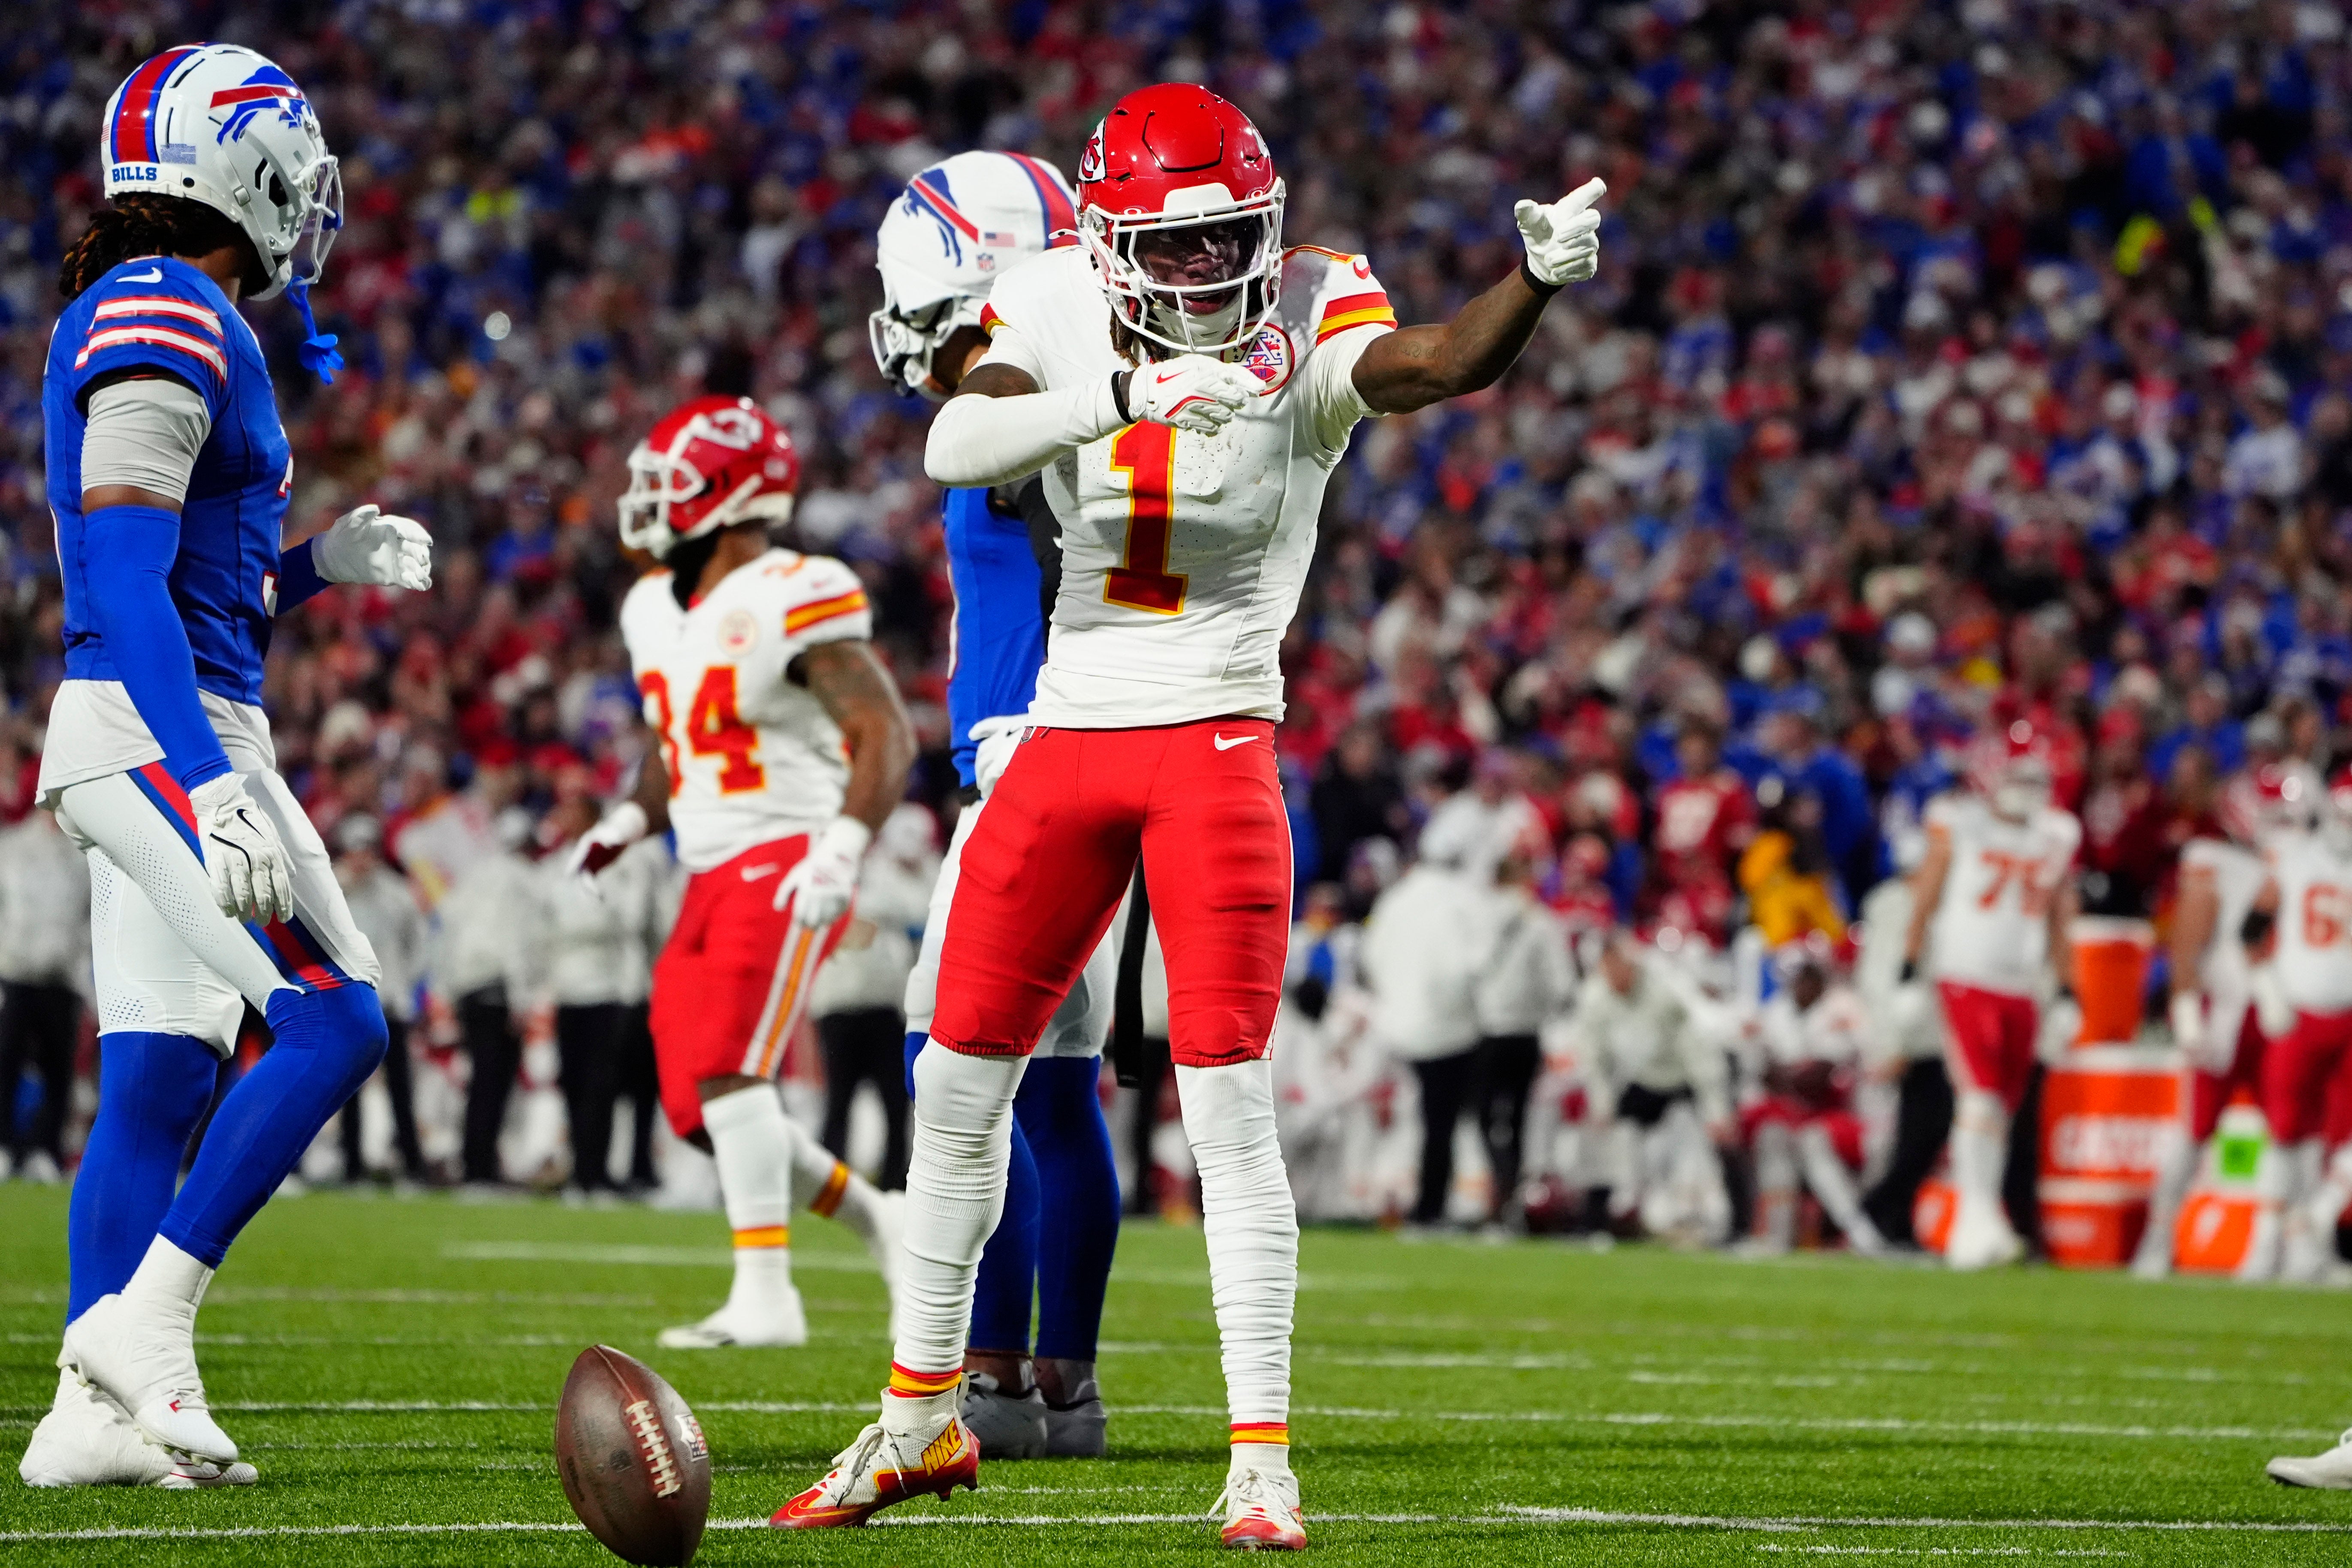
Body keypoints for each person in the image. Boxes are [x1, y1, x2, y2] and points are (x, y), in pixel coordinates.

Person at [775, 82, 1605, 1550]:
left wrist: (1527, 286)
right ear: (1099, 242)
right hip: (1068, 729)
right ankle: (918, 1420)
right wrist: (1116, 396)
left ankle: (1263, 1461)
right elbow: (950, 450)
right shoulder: (1042, 299)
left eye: (1226, 239)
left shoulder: (1311, 300)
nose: (1202, 273)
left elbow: (1421, 367)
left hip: (1216, 728)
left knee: (1224, 1102)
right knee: (955, 1081)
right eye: (1168, 249)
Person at [21, 44, 433, 1490]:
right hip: (155, 728)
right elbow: (124, 583)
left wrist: (322, 564)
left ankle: (85, 1423)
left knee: (153, 1076)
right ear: (238, 167)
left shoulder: (164, 305)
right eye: (296, 159)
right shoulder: (164, 306)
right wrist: (206, 779)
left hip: (157, 711)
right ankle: (143, 1327)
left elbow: (189, 583)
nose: (314, 193)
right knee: (336, 1018)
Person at [568, 392, 914, 1348]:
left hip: (791, 849)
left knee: (730, 1072)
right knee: (699, 1110)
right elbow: (671, 741)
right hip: (707, 866)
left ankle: (768, 1295)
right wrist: (631, 819)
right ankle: (882, 1219)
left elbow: (883, 728)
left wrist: (844, 845)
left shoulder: (794, 588)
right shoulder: (652, 607)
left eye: (670, 486)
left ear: (725, 496)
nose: (650, 503)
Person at [873, 150, 1125, 1460]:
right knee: (1060, 1090)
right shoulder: (1095, 375)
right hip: (1109, 751)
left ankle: (985, 1380)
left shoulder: (1021, 393)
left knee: (950, 1064)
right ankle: (1062, 1389)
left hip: (1039, 759)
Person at [1899, 724, 2080, 1271]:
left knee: (2000, 1107)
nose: (2028, 789)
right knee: (1978, 1100)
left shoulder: (2056, 833)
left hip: (2020, 984)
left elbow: (2060, 914)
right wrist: (1907, 970)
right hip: (1965, 975)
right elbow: (1925, 896)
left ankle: (1986, 1216)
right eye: (2018, 776)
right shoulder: (1961, 821)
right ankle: (1971, 1223)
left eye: (2036, 778)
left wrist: (2069, 988)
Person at [2132, 763, 2302, 1277]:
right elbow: (2189, 934)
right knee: (2196, 1129)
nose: (2283, 826)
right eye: (2273, 814)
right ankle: (2158, 1238)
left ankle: (2269, 1248)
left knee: (2288, 1132)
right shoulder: (2214, 858)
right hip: (2228, 1009)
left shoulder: (2298, 861)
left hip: (2279, 1008)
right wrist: (2183, 1004)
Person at [2238, 767, 2352, 1282]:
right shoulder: (2292, 856)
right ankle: (2266, 1245)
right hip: (2301, 1010)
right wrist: (2268, 991)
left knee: (2334, 1139)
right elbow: (2251, 929)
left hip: (2349, 1017)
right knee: (2287, 1134)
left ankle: (2313, 1228)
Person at [1570, 929, 1734, 1244]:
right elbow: (1594, 1060)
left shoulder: (1664, 994)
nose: (1615, 978)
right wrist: (1601, 1104)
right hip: (1638, 1081)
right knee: (1604, 1138)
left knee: (1713, 1144)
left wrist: (1716, 1109)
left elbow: (1697, 1052)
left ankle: (1731, 1223)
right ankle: (1594, 1221)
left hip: (1680, 1080)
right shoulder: (1595, 999)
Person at [538, 797, 664, 1195]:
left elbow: (631, 925)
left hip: (609, 990)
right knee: (573, 1083)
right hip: (568, 989)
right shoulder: (554, 865)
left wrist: (635, 988)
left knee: (602, 1087)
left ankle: (598, 1170)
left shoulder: (620, 865)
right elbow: (545, 925)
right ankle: (581, 1169)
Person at [1361, 822, 1484, 1227]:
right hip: (1449, 1033)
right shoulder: (1464, 901)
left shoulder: (1396, 899)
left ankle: (1379, 1197)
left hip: (1392, 1028)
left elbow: (1372, 958)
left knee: (1391, 1119)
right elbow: (1469, 967)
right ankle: (1432, 1206)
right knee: (1441, 1124)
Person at [810, 802, 935, 1194]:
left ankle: (895, 1181)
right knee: (839, 1100)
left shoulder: (910, 873)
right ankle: (828, 1184)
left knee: (895, 1102)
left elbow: (921, 914)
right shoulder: (841, 868)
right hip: (840, 1003)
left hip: (886, 1004)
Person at [1740, 948, 1887, 1256]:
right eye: (1797, 980)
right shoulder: (1778, 1011)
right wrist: (1790, 1074)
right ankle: (1778, 1237)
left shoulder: (1841, 1008)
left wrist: (1786, 1073)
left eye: (1808, 979)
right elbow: (1764, 1072)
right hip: (1802, 1115)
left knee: (1813, 1142)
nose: (1801, 987)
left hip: (1853, 1118)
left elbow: (1818, 1080)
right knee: (1772, 1135)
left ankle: (1860, 1232)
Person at [1470, 846, 1577, 1225]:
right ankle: (1511, 1192)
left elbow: (1466, 971)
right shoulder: (1542, 923)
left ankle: (1499, 1188)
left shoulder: (1477, 918)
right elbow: (1561, 985)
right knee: (1517, 1120)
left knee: (1484, 1117)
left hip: (1485, 1031)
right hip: (1526, 1034)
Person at [330, 815, 429, 1185]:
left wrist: (405, 983)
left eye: (367, 850)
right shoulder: (332, 888)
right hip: (347, 1003)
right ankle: (352, 1165)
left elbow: (419, 944)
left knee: (402, 1089)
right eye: (355, 850)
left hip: (389, 1002)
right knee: (347, 1090)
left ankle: (413, 1166)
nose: (361, 859)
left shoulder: (395, 893)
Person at [0, 804, 92, 1182]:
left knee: (59, 1070)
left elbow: (89, 917)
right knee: (7, 1065)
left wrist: (82, 968)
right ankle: (5, 1147)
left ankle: (45, 1150)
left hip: (62, 976)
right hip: (16, 971)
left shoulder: (80, 855)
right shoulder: (11, 845)